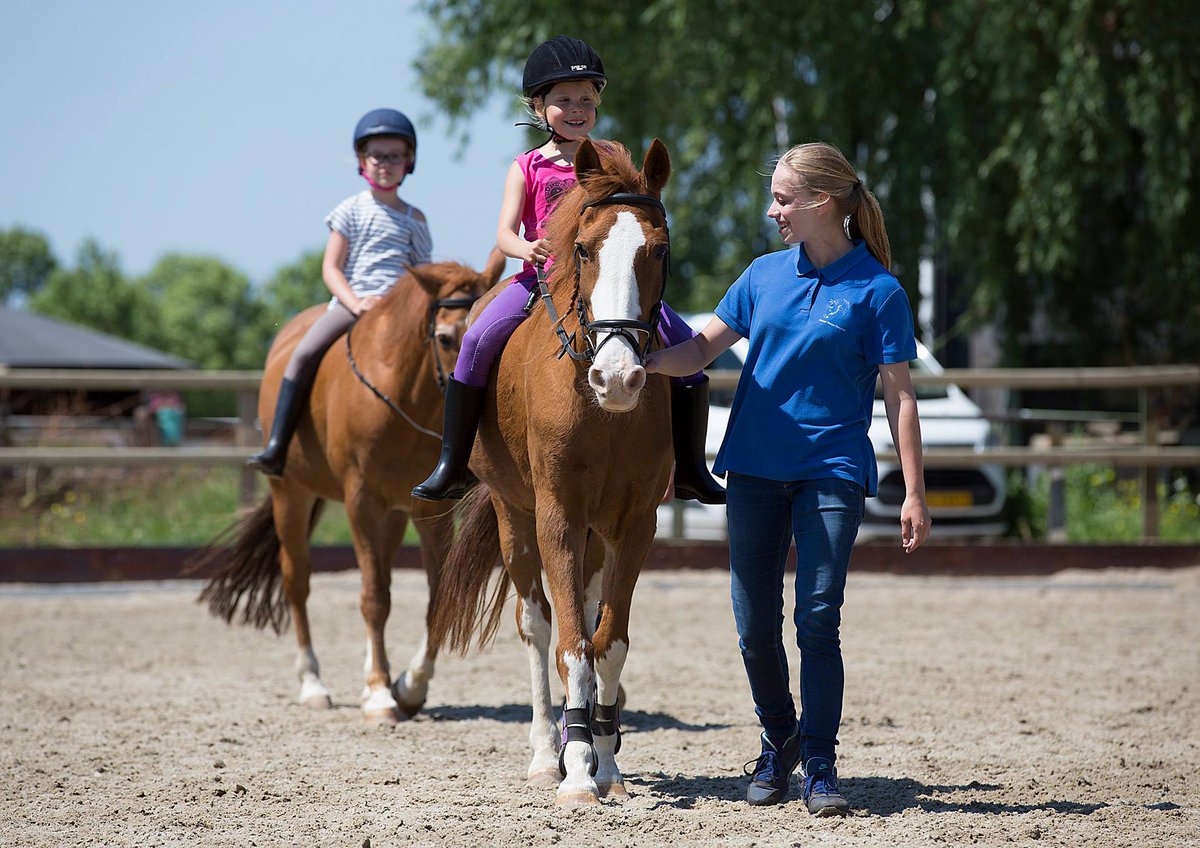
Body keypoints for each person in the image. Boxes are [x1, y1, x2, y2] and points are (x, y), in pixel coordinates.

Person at [645, 141, 931, 814]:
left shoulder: (879, 292)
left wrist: (915, 491)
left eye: (783, 198)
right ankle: (781, 739)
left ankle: (821, 764)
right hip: (751, 470)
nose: (773, 211)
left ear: (821, 203)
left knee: (818, 619)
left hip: (830, 473)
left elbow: (901, 397)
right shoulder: (762, 276)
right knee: (753, 627)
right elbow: (700, 347)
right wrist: (642, 362)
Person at [411, 35, 725, 504]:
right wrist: (527, 246)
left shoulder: (611, 155)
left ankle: (692, 469)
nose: (576, 109)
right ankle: (453, 464)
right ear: (539, 107)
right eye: (563, 100)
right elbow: (503, 233)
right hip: (539, 277)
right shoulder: (527, 165)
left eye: (586, 100)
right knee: (475, 340)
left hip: (608, 282)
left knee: (688, 353)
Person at [248, 109, 431, 477]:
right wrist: (356, 303)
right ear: (363, 161)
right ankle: (277, 444)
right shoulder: (350, 210)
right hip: (353, 303)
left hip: (400, 312)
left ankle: (453, 452)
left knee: (446, 358)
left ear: (408, 161)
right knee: (303, 353)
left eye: (395, 156)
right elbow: (331, 268)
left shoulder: (416, 218)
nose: (386, 164)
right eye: (377, 156)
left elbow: (422, 274)